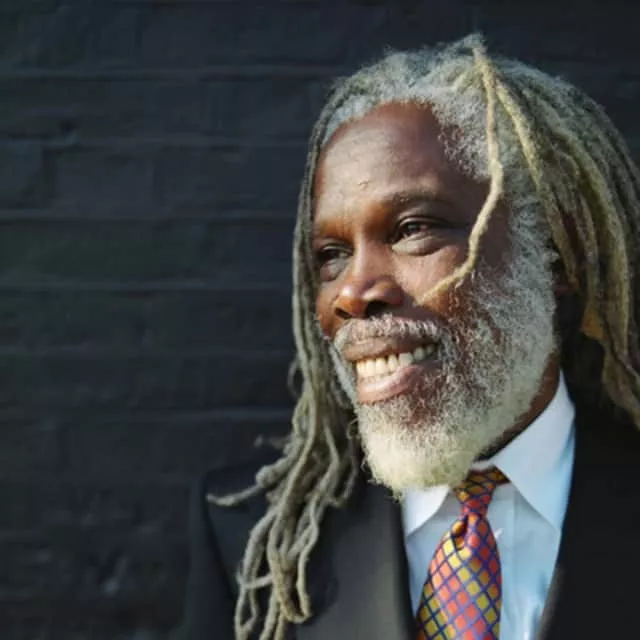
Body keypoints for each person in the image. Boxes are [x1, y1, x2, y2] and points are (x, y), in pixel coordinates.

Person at [180, 35, 640, 640]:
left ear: (554, 252)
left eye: (412, 229)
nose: (352, 292)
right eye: (331, 254)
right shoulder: (254, 538)